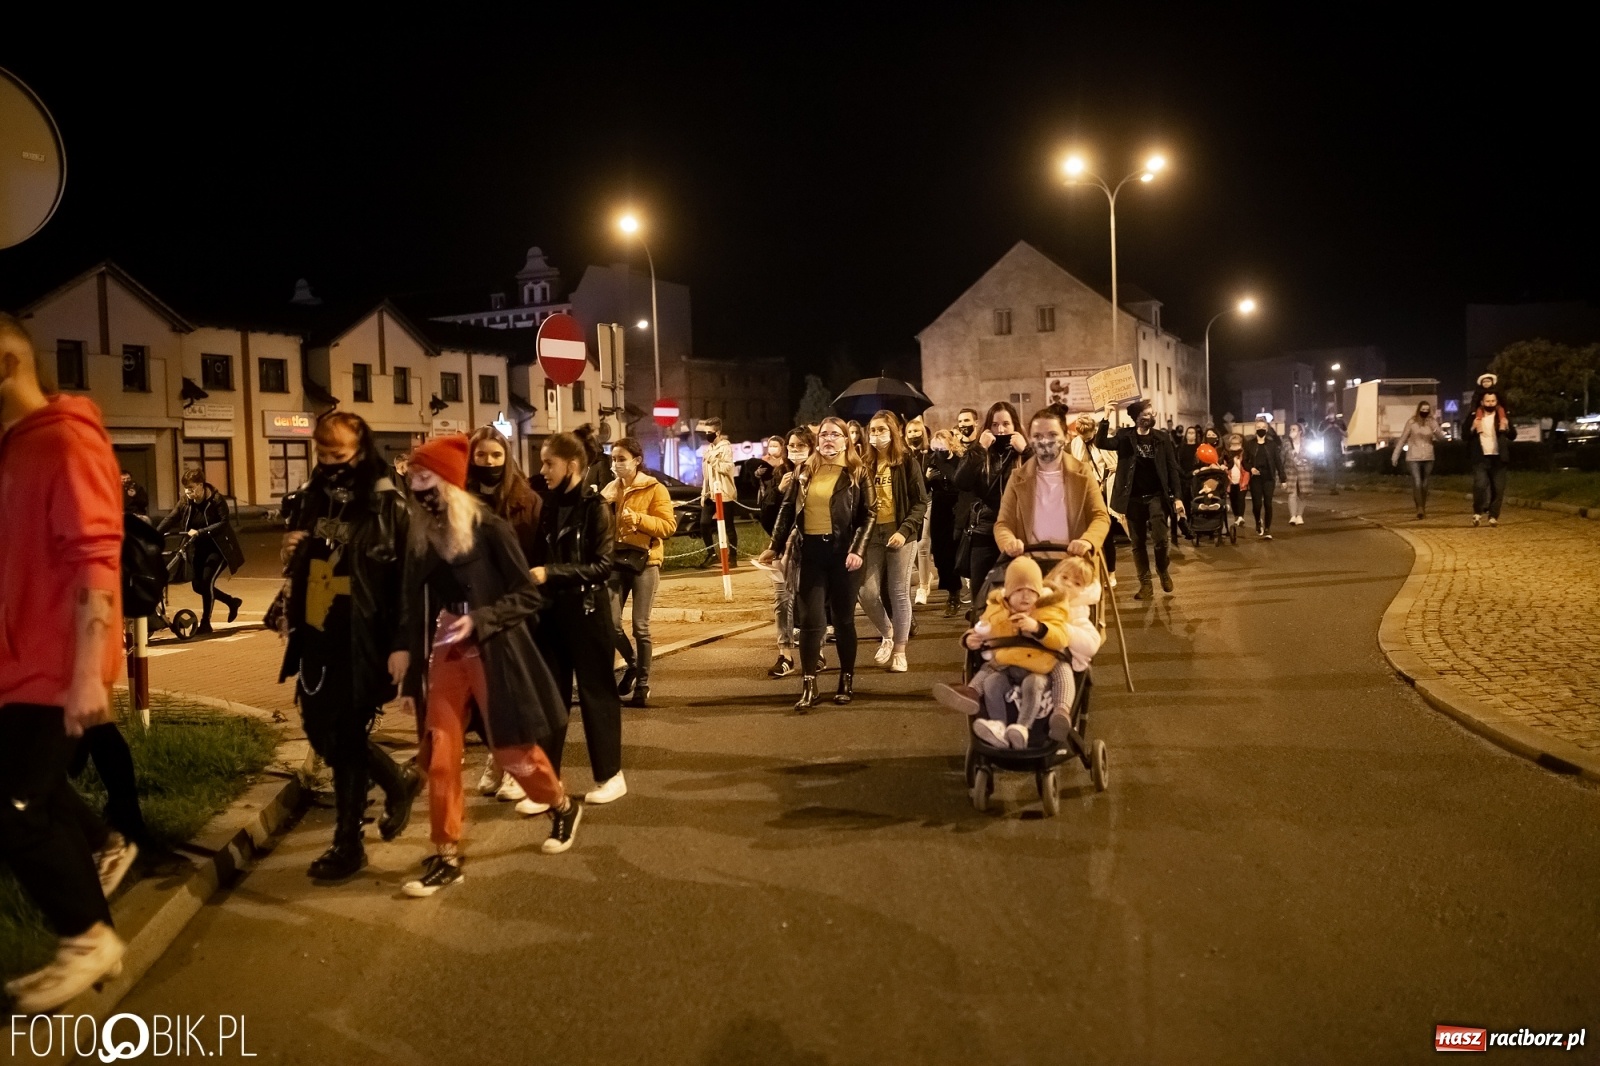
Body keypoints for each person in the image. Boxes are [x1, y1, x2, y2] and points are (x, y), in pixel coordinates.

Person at [0, 313, 128, 1012]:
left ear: (9, 361)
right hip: (17, 666)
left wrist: (86, 672)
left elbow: (95, 556)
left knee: (12, 811)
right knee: (31, 796)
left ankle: (88, 938)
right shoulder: (15, 447)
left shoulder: (66, 442)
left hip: (56, 664)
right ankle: (104, 849)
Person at [397, 435, 581, 895]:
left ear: (447, 481)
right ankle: (446, 854)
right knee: (440, 754)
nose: (416, 487)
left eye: (425, 477)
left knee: (510, 751)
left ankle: (560, 805)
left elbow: (525, 594)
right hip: (445, 652)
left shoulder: (489, 528)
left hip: (494, 647)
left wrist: (479, 619)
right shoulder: (421, 532)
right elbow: (410, 600)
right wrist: (404, 653)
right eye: (412, 477)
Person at [277, 411, 422, 880]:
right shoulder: (313, 494)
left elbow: (406, 583)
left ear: (361, 450)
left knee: (345, 733)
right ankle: (395, 783)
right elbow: (305, 553)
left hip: (363, 636)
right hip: (316, 628)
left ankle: (347, 844)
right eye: (321, 453)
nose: (329, 462)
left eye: (338, 454)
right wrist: (293, 554)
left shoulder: (388, 504)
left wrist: (403, 643)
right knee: (321, 732)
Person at [532, 432, 627, 803]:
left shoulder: (595, 508)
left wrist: (550, 573)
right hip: (553, 614)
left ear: (571, 465)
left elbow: (603, 565)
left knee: (596, 694)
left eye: (548, 463)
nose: (542, 471)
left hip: (588, 614)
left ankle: (611, 776)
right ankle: (545, 784)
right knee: (551, 697)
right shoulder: (549, 506)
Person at [759, 416, 872, 711]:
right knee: (810, 622)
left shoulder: (857, 472)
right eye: (824, 434)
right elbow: (786, 510)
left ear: (846, 440)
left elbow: (867, 515)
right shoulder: (804, 471)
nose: (828, 439)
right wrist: (774, 545)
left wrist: (857, 549)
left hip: (844, 554)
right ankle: (810, 685)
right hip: (810, 553)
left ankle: (846, 679)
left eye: (835, 434)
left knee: (843, 619)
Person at [465, 425, 544, 801]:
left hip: (513, 605)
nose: (489, 463)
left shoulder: (525, 499)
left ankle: (517, 767)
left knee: (512, 692)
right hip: (473, 606)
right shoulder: (458, 497)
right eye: (481, 456)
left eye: (496, 456)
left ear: (507, 457)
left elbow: (533, 551)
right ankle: (497, 758)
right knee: (480, 696)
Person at [605, 437, 678, 707]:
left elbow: (668, 526)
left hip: (644, 562)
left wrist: (639, 520)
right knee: (610, 624)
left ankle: (642, 686)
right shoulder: (609, 490)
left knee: (640, 626)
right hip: (615, 561)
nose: (616, 464)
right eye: (613, 459)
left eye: (622, 459)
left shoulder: (654, 488)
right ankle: (633, 664)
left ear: (636, 461)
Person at [857, 410, 929, 674]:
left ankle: (900, 650)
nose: (877, 435)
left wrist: (904, 530)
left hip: (900, 532)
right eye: (873, 430)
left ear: (894, 432)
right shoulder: (864, 463)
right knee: (867, 592)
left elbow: (921, 502)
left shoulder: (906, 461)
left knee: (898, 591)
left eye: (882, 430)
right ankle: (888, 631)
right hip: (871, 534)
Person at [995, 409, 1110, 567]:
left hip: (1075, 568)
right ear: (1029, 439)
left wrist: (1087, 540)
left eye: (1052, 434)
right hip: (1031, 567)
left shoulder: (1083, 473)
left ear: (1065, 437)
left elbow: (1100, 516)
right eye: (1037, 436)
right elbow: (1003, 524)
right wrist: (1008, 542)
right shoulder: (1017, 478)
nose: (1044, 441)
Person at [1097, 401, 1184, 600]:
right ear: (1136, 417)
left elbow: (1172, 468)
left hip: (1156, 497)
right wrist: (1106, 416)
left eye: (1151, 413)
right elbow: (1101, 443)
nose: (1150, 417)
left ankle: (1162, 569)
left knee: (1161, 540)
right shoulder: (1124, 436)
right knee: (1138, 543)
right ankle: (1145, 584)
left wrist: (1177, 498)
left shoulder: (1162, 438)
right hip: (1132, 498)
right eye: (1145, 414)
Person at [954, 401, 1029, 612]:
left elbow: (1044, 482)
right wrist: (979, 448)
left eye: (1006, 423)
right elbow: (961, 481)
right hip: (985, 532)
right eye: (995, 424)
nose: (1001, 429)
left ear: (1015, 425)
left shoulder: (1023, 454)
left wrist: (1027, 450)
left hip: (1018, 533)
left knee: (1017, 598)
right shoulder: (981, 453)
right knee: (982, 599)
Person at [159, 468, 244, 633]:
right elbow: (171, 518)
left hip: (218, 548)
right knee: (198, 586)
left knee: (206, 582)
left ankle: (206, 623)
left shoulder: (217, 500)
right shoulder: (185, 501)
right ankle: (231, 602)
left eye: (191, 488)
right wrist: (154, 535)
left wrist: (201, 532)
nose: (188, 492)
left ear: (201, 485)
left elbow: (223, 523)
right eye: (186, 488)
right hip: (197, 547)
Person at [765, 428, 813, 678]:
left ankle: (815, 652)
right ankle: (785, 655)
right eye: (791, 446)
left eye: (801, 445)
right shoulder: (781, 474)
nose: (795, 450)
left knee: (808, 602)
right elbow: (767, 516)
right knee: (782, 601)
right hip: (784, 549)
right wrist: (778, 492)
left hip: (811, 547)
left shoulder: (821, 474)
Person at [1069, 412, 1120, 586]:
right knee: (1087, 535)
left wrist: (1103, 482)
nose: (1086, 441)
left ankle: (1111, 574)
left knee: (1106, 535)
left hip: (1105, 491)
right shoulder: (1075, 445)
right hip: (1086, 493)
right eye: (1083, 438)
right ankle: (1091, 573)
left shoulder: (1105, 441)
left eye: (1089, 438)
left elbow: (1114, 466)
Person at [925, 429, 965, 616]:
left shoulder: (959, 461)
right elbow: (924, 489)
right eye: (936, 447)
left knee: (956, 551)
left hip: (956, 509)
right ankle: (952, 591)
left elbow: (963, 483)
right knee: (941, 554)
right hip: (939, 510)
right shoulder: (932, 461)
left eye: (942, 446)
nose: (939, 451)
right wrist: (927, 480)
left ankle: (955, 594)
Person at [1466, 389, 1515, 527]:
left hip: (1499, 458)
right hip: (1481, 458)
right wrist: (1472, 428)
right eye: (1487, 401)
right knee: (1480, 485)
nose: (1490, 403)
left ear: (1497, 401)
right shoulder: (1474, 416)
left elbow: (1513, 435)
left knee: (1498, 489)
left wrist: (1506, 428)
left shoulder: (1502, 416)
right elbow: (1465, 436)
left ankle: (1493, 516)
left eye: (1493, 401)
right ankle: (1477, 512)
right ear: (1482, 402)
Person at [1391, 401, 1447, 519]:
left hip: (1428, 456)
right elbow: (1403, 439)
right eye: (1423, 409)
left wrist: (1435, 430)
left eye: (1427, 410)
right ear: (1419, 409)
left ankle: (1422, 506)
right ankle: (1420, 509)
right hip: (1413, 457)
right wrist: (1395, 455)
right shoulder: (1412, 422)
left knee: (1425, 483)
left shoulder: (1432, 422)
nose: (1425, 412)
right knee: (1417, 482)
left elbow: (1442, 438)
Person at [902, 416, 936, 605]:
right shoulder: (903, 455)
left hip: (928, 501)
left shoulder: (930, 453)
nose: (914, 435)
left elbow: (931, 483)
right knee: (913, 547)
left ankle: (923, 587)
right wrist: (925, 477)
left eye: (917, 431)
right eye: (910, 432)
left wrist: (928, 478)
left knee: (923, 545)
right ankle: (927, 575)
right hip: (909, 505)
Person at [697, 417, 738, 568]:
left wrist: (712, 459)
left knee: (728, 526)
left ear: (718, 432)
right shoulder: (709, 449)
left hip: (724, 492)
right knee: (704, 524)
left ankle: (733, 557)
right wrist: (704, 492)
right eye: (706, 432)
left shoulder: (725, 448)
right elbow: (706, 475)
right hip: (710, 493)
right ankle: (712, 554)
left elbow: (728, 469)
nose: (707, 435)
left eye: (710, 432)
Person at [1243, 418, 1283, 539]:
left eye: (1263, 427)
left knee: (1268, 503)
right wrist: (1251, 469)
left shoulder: (1272, 445)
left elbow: (1278, 462)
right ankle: (1258, 522)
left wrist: (1283, 478)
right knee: (1257, 504)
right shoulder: (1250, 444)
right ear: (1255, 428)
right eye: (1258, 427)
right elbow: (1244, 461)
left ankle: (1267, 529)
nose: (1261, 429)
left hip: (1269, 477)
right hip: (1256, 478)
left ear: (1267, 429)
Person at [1281, 421, 1316, 526]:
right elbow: (1282, 457)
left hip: (1304, 472)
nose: (1291, 431)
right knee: (1292, 493)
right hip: (1290, 471)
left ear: (1300, 432)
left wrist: (1308, 465)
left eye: (1294, 429)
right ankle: (1292, 516)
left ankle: (1299, 515)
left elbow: (1312, 457)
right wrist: (1281, 473)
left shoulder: (1308, 443)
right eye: (1290, 429)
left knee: (1303, 494)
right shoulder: (1286, 443)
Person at [1224, 435, 1250, 530]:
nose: (1235, 445)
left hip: (1241, 481)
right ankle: (1236, 516)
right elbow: (1225, 467)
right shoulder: (1227, 455)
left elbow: (1246, 468)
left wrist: (1245, 481)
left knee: (1241, 498)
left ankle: (1240, 517)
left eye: (1237, 443)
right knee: (1233, 499)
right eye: (1233, 443)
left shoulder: (1244, 454)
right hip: (1231, 481)